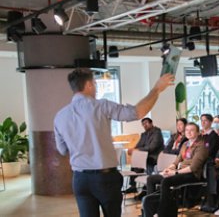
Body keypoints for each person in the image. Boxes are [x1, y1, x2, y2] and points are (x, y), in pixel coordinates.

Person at [54, 69, 174, 217]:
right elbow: (137, 113)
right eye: (95, 83)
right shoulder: (101, 106)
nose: (96, 88)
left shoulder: (60, 116)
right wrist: (157, 89)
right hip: (104, 178)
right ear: (89, 85)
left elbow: (62, 150)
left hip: (80, 179)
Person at [144, 122, 208, 217]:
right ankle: (152, 208)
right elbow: (177, 161)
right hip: (179, 172)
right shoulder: (185, 144)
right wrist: (168, 168)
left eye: (192, 130)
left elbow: (193, 167)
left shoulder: (202, 146)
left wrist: (175, 172)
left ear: (198, 132)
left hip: (192, 174)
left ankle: (161, 213)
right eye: (187, 130)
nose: (188, 132)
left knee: (166, 182)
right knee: (151, 179)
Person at [124, 117, 164, 198]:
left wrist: (137, 150)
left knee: (142, 160)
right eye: (143, 124)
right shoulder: (144, 134)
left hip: (155, 157)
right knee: (135, 160)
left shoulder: (157, 132)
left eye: (146, 123)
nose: (144, 125)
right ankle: (133, 186)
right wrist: (133, 149)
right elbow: (139, 145)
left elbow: (152, 147)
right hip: (145, 157)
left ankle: (145, 189)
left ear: (151, 123)